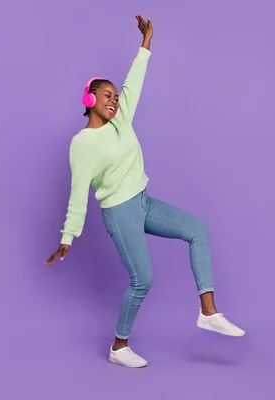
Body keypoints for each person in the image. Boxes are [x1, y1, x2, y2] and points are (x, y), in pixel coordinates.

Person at [45, 15, 245, 368]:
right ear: (88, 99)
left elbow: (134, 84)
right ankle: (119, 347)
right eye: (106, 95)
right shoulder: (83, 143)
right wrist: (68, 236)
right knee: (143, 279)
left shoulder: (121, 121)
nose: (114, 100)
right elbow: (78, 192)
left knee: (198, 231)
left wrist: (146, 43)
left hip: (143, 201)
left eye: (115, 96)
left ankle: (209, 312)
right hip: (119, 212)